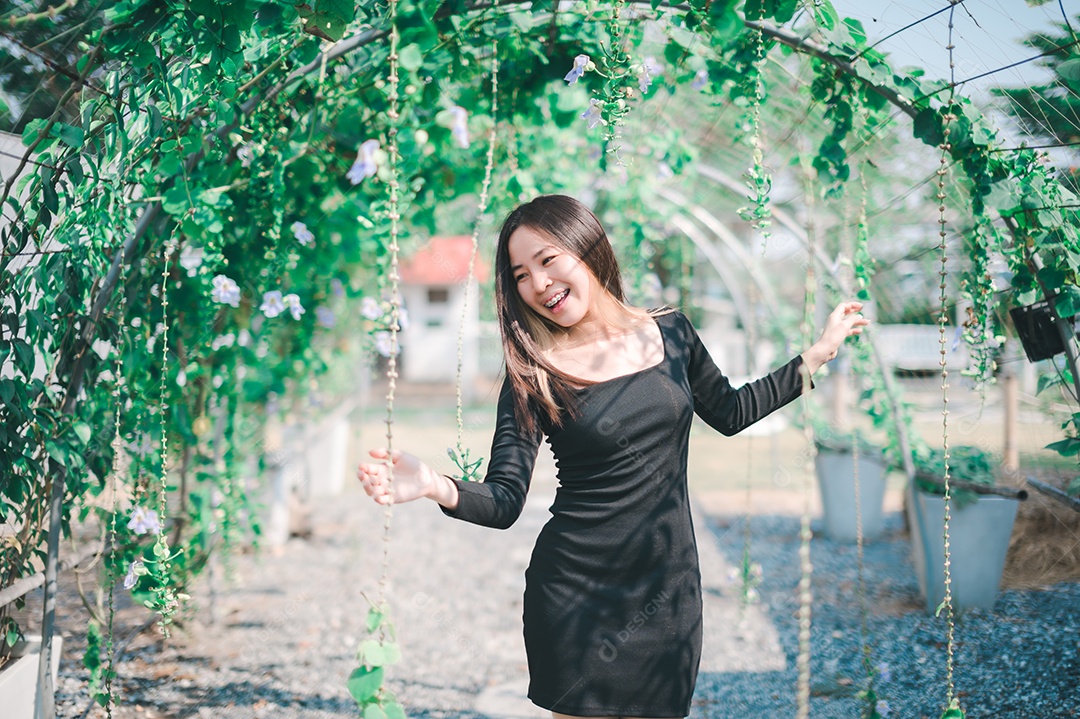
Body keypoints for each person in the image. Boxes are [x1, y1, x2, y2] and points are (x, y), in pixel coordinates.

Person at [357, 194, 869, 719]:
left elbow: (732, 411)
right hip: (576, 594)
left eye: (548, 260)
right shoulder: (534, 372)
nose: (538, 283)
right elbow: (506, 498)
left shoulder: (671, 332)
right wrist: (432, 484)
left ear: (588, 248)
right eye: (521, 275)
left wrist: (817, 355)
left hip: (668, 590)